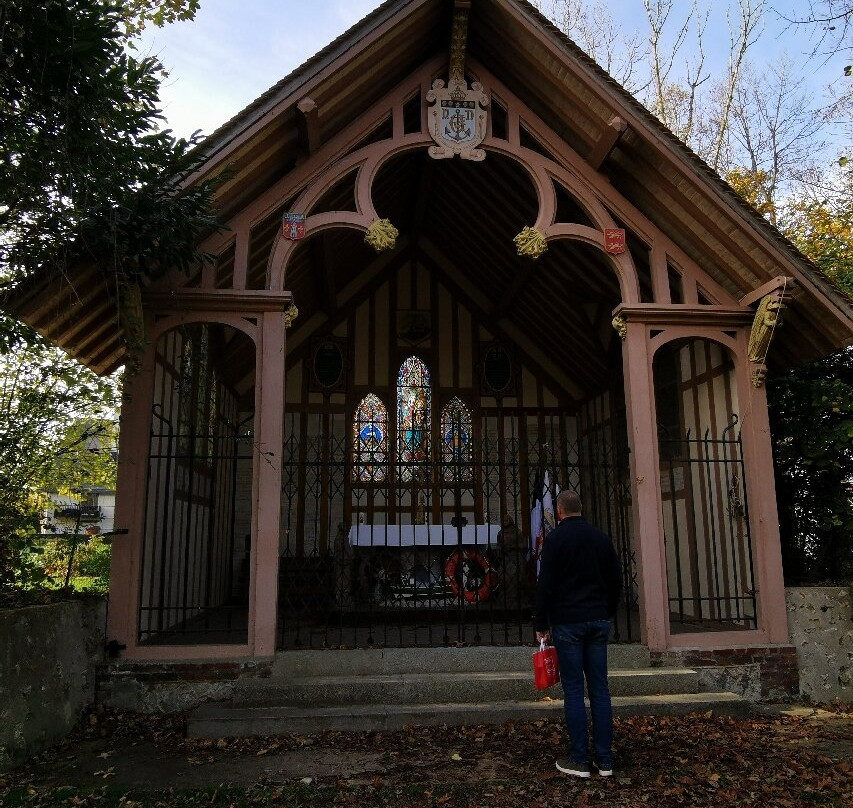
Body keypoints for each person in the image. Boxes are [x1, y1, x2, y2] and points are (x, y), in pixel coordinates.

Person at [535, 490, 622, 779]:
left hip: (568, 622)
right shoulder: (600, 538)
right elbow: (615, 579)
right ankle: (605, 760)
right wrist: (605, 611)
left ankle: (579, 759)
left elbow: (545, 584)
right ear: (580, 509)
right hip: (596, 619)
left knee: (573, 690)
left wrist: (541, 622)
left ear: (558, 512)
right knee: (600, 689)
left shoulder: (555, 540)